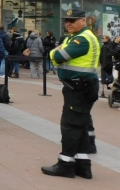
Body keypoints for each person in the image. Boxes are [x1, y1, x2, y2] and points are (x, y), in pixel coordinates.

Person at [42, 10, 101, 179]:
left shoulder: (82, 38)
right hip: (79, 87)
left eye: (72, 20)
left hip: (80, 88)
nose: (68, 23)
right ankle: (83, 166)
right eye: (66, 20)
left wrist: (54, 52)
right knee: (80, 126)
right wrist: (57, 53)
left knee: (70, 125)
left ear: (83, 20)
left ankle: (65, 164)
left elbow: (60, 56)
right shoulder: (76, 36)